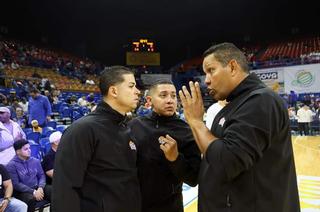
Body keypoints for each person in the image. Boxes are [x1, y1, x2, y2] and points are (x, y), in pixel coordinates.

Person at [178, 43, 300, 212]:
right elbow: (212, 159)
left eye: (211, 70)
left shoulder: (260, 101)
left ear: (233, 67)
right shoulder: (234, 105)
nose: (206, 80)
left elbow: (226, 163)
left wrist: (196, 122)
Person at [52, 66, 141, 212]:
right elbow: (65, 188)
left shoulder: (127, 128)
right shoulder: (82, 129)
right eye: (131, 86)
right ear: (114, 91)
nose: (138, 91)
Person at [128, 80, 201, 212]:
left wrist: (175, 159)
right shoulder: (135, 125)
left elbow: (193, 179)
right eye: (163, 95)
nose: (170, 100)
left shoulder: (187, 131)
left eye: (173, 96)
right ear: (149, 100)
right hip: (136, 204)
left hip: (170, 206)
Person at [6, 139, 51, 212]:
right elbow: (16, 184)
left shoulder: (35, 161)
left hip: (38, 188)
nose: (29, 150)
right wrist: (33, 192)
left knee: (53, 191)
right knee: (30, 199)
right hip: (22, 192)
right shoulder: (11, 165)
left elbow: (41, 176)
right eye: (26, 149)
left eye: (29, 148)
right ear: (18, 152)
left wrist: (40, 187)